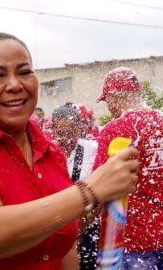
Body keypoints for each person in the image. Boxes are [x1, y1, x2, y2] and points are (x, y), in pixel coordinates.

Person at [0, 33, 139, 269]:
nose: (15, 85)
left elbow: (63, 248)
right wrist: (90, 191)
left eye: (24, 72)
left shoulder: (50, 152)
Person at [94, 67, 163, 269]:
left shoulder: (115, 129)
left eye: (107, 101)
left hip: (134, 239)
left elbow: (98, 186)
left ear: (113, 97)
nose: (108, 107)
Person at [50, 103, 100, 269]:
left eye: (70, 132)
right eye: (61, 132)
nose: (66, 138)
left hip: (88, 222)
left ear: (79, 128)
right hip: (57, 225)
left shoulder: (93, 150)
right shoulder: (46, 151)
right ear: (53, 129)